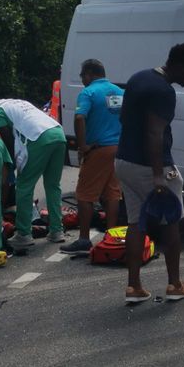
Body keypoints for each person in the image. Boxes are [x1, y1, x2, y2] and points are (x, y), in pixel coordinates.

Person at [115, 43, 184, 303]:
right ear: (179, 65)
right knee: (171, 222)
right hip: (152, 166)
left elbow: (124, 119)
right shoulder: (164, 92)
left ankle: (134, 287)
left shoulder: (138, 78)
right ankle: (174, 284)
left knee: (135, 222)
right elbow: (155, 133)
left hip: (124, 161)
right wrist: (157, 175)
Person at [0, 92, 67, 250]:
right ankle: (56, 230)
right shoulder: (14, 103)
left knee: (24, 186)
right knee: (53, 185)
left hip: (38, 138)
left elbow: (6, 140)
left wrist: (9, 165)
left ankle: (24, 234)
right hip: (58, 133)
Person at [60, 59, 124, 254]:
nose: (82, 80)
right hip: (117, 148)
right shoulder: (120, 92)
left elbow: (80, 118)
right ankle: (111, 237)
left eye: (82, 76)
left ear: (89, 73)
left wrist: (83, 146)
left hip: (98, 149)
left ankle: (84, 240)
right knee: (113, 193)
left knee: (85, 194)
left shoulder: (88, 93)